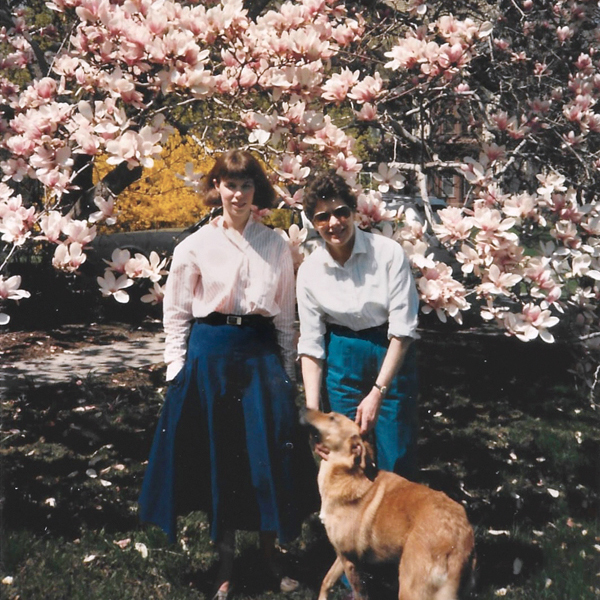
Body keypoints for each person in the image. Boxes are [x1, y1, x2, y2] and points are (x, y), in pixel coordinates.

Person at [139, 150, 318, 600]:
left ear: (257, 190)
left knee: (267, 453)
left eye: (246, 185)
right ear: (216, 187)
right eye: (229, 184)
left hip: (258, 356)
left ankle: (268, 553)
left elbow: (284, 317)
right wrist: (177, 369)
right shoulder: (194, 246)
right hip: (210, 356)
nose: (237, 194)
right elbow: (177, 313)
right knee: (221, 455)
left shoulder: (275, 243)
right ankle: (224, 560)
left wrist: (286, 372)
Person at [297, 170, 419, 478]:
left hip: (388, 354)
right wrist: (315, 414)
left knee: (396, 458)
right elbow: (311, 343)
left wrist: (378, 391)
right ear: (313, 223)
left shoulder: (388, 254)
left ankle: (399, 524)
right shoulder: (310, 270)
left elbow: (403, 330)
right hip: (341, 359)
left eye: (341, 212)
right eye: (323, 217)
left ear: (354, 212)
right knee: (348, 459)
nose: (334, 223)